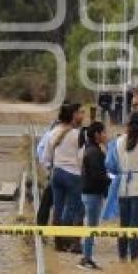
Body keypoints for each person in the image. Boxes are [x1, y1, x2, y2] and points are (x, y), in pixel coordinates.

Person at [103, 112, 138, 261]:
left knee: (124, 226)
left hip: (123, 188)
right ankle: (135, 258)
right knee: (136, 227)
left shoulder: (118, 142)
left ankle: (122, 258)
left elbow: (109, 165)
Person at [44, 103, 84, 253]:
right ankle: (67, 238)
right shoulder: (77, 134)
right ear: (73, 116)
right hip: (73, 174)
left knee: (58, 207)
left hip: (57, 173)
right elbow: (81, 157)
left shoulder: (53, 132)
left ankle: (58, 242)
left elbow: (47, 157)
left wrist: (51, 168)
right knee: (72, 208)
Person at [78, 122, 110, 270]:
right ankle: (86, 258)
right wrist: (111, 179)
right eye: (104, 132)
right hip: (93, 193)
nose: (106, 135)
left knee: (91, 225)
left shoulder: (91, 149)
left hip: (90, 192)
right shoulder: (94, 152)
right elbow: (98, 175)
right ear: (97, 134)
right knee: (91, 227)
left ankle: (87, 256)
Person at [35, 118, 59, 227]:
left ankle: (42, 223)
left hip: (55, 170)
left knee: (48, 198)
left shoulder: (49, 134)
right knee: (51, 198)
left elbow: (40, 150)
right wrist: (48, 165)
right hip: (58, 170)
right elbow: (40, 150)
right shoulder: (51, 135)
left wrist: (47, 165)